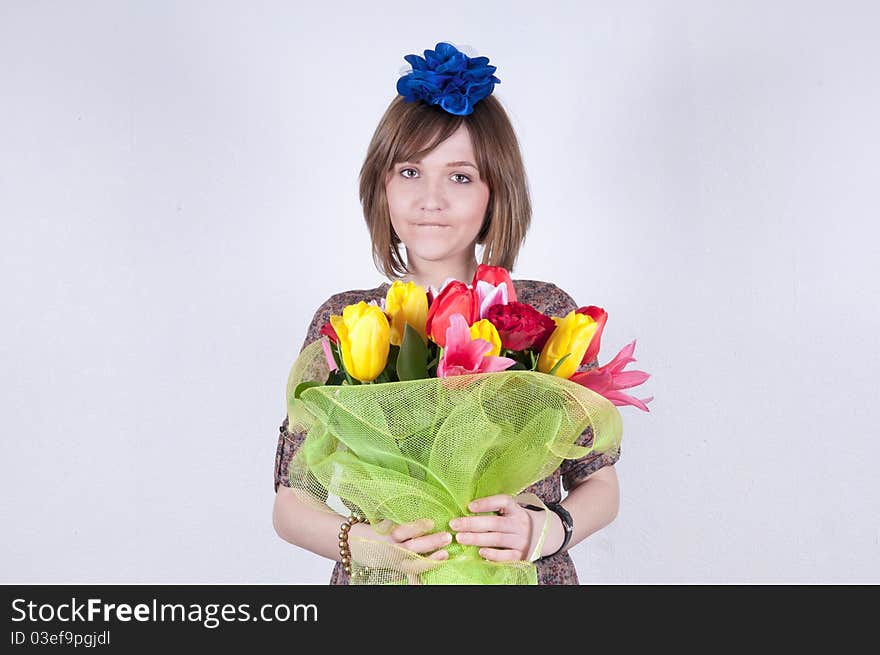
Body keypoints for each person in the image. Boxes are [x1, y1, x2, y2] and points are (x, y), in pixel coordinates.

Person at [272, 42, 621, 585]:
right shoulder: (347, 321)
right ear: (380, 186)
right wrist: (361, 543)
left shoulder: (543, 314)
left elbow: (600, 483)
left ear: (494, 194)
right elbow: (290, 504)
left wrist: (546, 531)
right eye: (409, 172)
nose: (430, 199)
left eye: (460, 176)